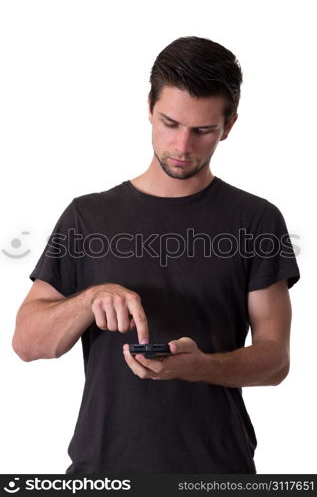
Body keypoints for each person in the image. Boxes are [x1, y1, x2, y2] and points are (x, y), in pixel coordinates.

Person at [12, 36, 300, 474]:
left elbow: (275, 360)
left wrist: (202, 366)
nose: (183, 146)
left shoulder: (257, 220)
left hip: (218, 472)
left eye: (202, 130)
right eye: (170, 123)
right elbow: (28, 343)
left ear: (229, 126)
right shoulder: (88, 216)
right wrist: (90, 299)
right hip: (103, 472)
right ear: (149, 108)